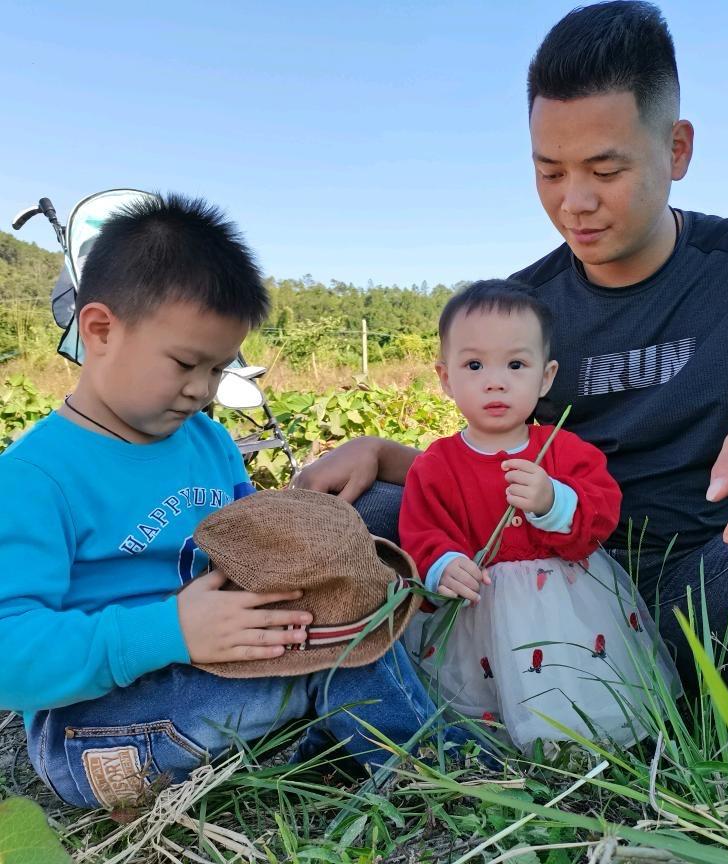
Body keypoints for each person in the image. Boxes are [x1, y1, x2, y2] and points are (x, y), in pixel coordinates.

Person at [296, 2, 728, 746]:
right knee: (355, 521)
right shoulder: (524, 303)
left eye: (605, 168)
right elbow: (487, 459)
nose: (575, 203)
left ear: (678, 148)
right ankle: (374, 730)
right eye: (549, 171)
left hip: (713, 588)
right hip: (546, 592)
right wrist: (380, 454)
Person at [0, 194, 468, 811]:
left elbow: (249, 537)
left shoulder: (207, 439)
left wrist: (315, 552)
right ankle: (441, 768)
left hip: (227, 657)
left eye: (218, 369)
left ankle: (318, 724)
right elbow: (11, 656)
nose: (201, 390)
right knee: (340, 651)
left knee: (376, 517)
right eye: (185, 364)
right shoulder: (36, 477)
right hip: (102, 724)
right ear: (101, 330)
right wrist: (171, 632)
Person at [398, 280, 679, 750]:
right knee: (491, 694)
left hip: (567, 596)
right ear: (446, 378)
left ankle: (578, 743)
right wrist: (443, 563)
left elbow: (601, 513)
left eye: (515, 364)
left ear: (545, 377)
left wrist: (554, 502)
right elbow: (421, 530)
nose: (495, 380)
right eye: (474, 365)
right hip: (483, 604)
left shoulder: (563, 449)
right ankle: (510, 746)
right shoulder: (437, 463)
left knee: (577, 679)